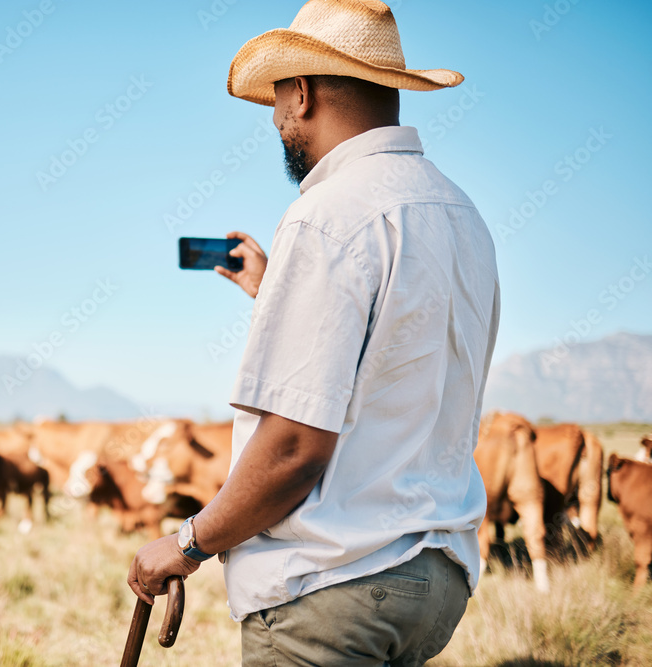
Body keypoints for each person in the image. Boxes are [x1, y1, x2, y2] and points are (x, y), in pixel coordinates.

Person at [128, 1, 499, 665]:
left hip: (333, 585)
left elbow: (297, 443)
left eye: (275, 101)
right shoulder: (462, 215)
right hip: (434, 580)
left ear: (301, 93)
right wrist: (278, 293)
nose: (274, 120)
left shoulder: (325, 216)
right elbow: (393, 365)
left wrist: (186, 543)